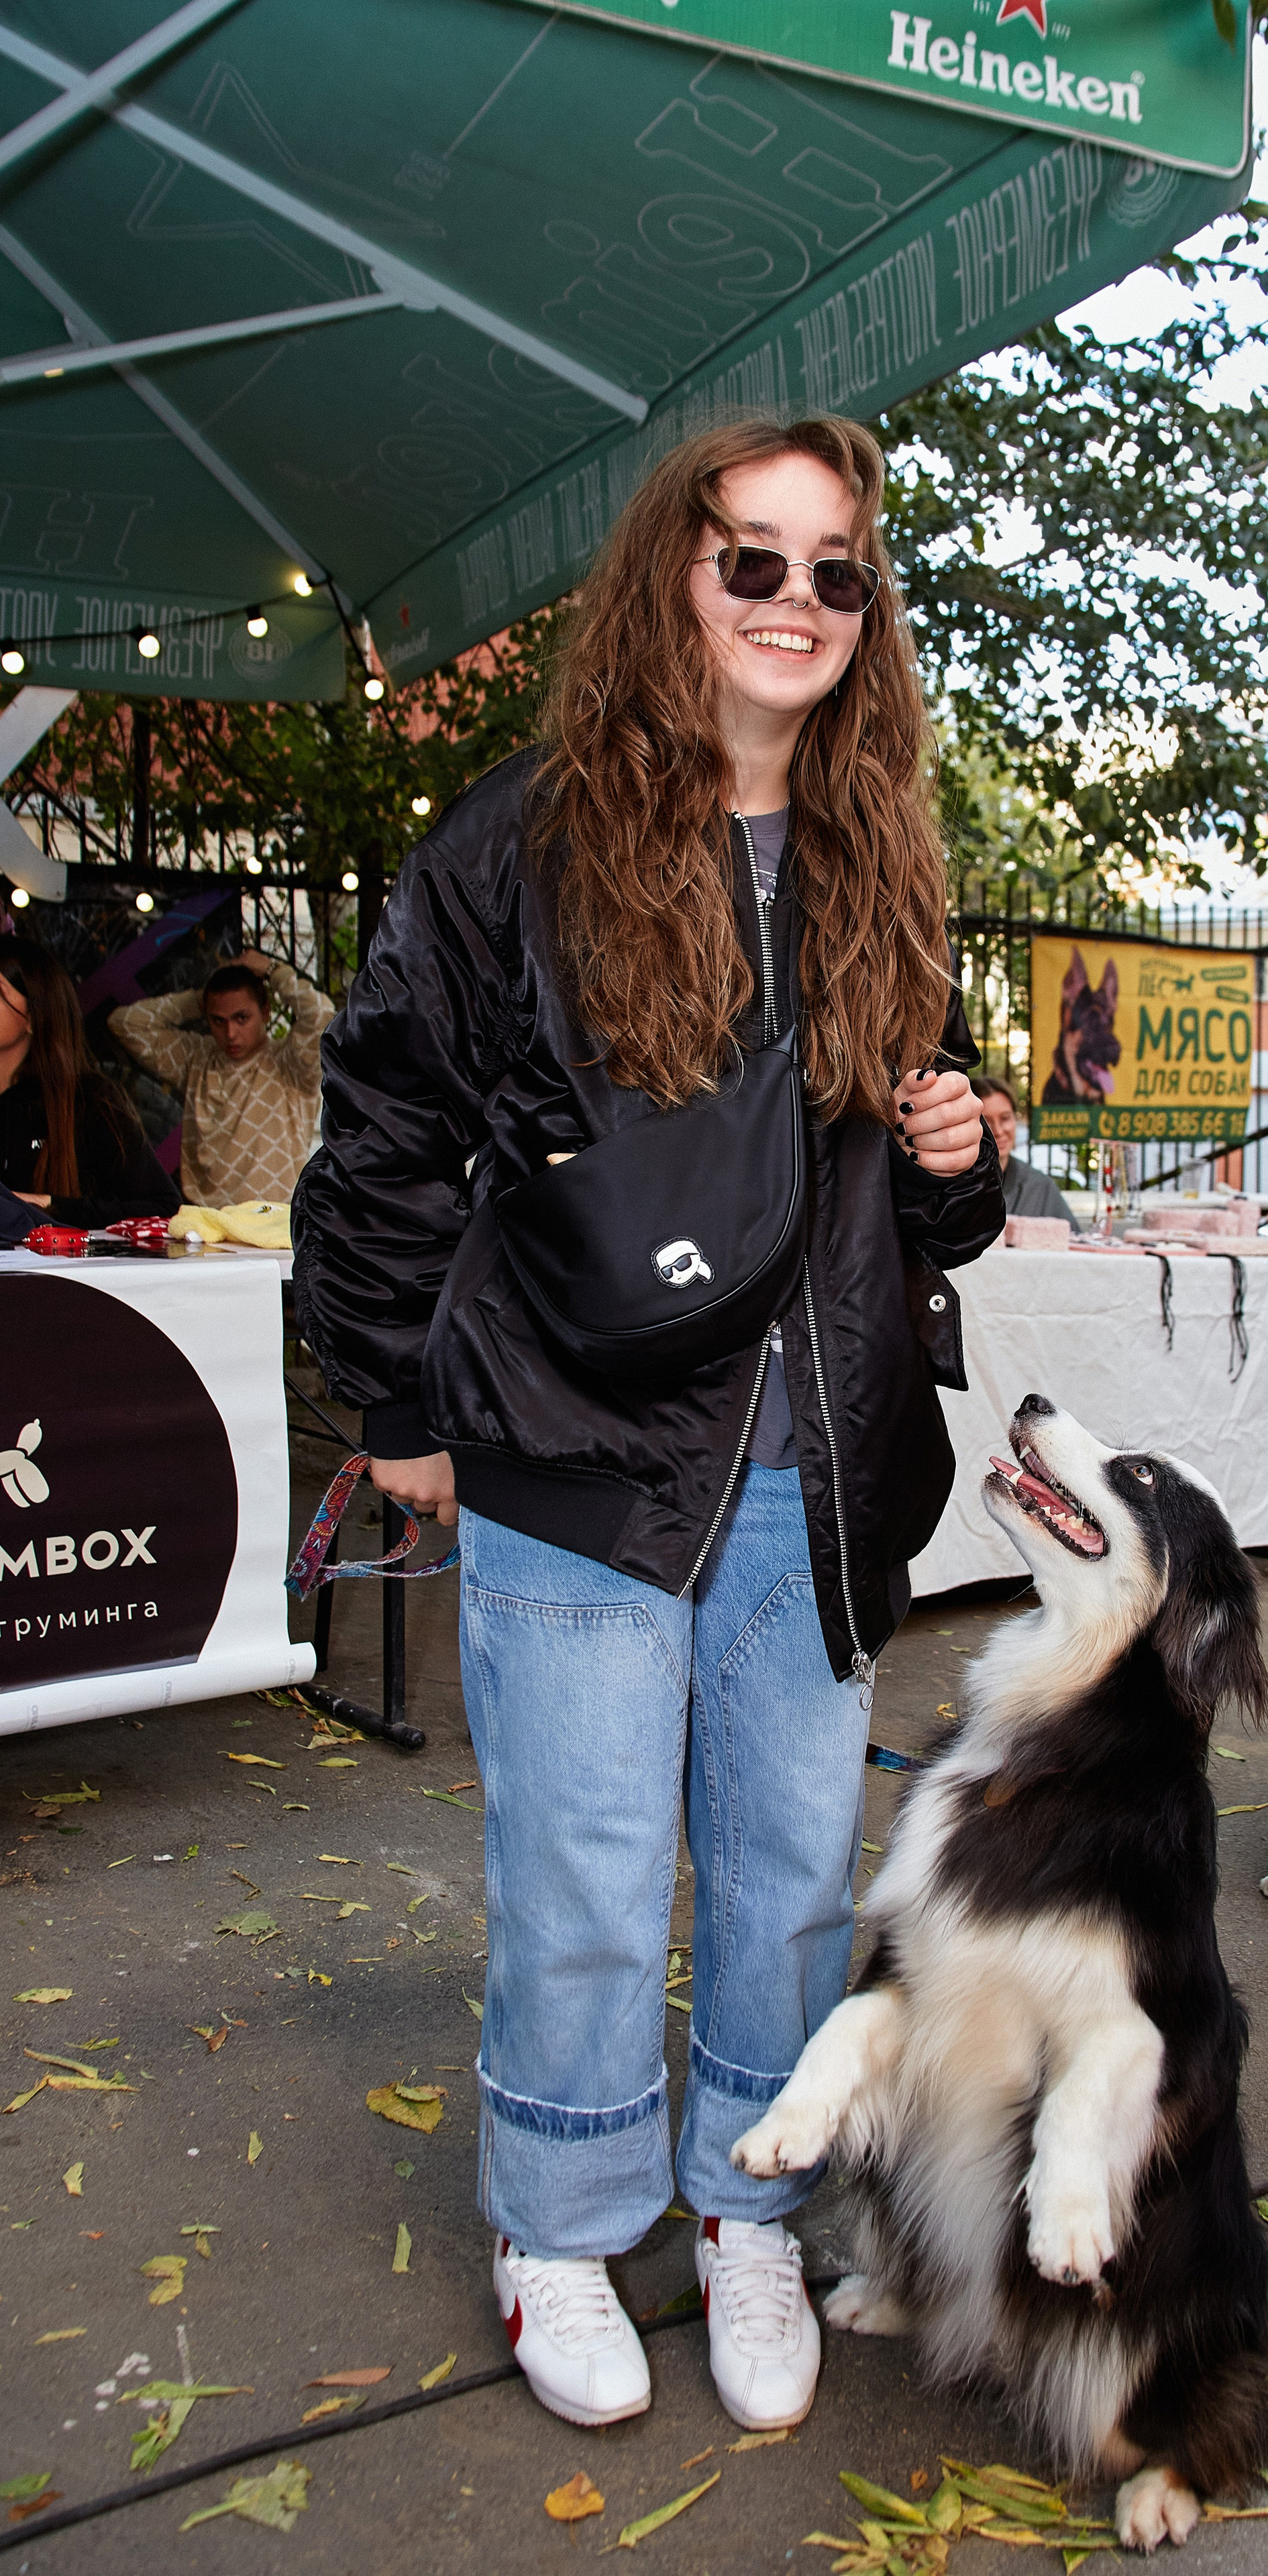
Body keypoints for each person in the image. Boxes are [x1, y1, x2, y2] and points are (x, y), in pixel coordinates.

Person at [293, 417, 1003, 2441]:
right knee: (590, 1875)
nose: (792, 602)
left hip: (819, 1466)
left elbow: (884, 1190)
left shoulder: (883, 855)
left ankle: (746, 2202)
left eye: (834, 570)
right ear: (670, 581)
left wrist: (955, 1151)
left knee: (787, 1871)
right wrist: (402, 1399)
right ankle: (560, 2215)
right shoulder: (516, 841)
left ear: (869, 614)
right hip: (581, 1448)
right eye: (750, 559)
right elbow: (390, 1137)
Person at [108, 947, 333, 1206]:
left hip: (271, 1225)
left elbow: (322, 1014)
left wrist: (274, 971)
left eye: (241, 1018)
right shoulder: (197, 1058)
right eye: (217, 1020)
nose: (230, 1033)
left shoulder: (291, 1063)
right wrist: (199, 1000)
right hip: (205, 1225)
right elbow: (125, 1023)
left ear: (265, 1012)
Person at [0, 934, 177, 1230]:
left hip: (59, 1273)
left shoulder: (89, 1100)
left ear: (35, 1016)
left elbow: (162, 1207)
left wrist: (49, 1204)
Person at [971, 1075, 1082, 1229]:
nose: (998, 1131)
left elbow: (1073, 1241)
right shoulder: (949, 1186)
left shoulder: (1041, 1188)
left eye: (1005, 1118)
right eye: (986, 1122)